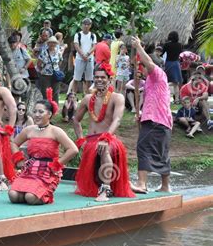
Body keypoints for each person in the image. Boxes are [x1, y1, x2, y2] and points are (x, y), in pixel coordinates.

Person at [73, 62, 135, 202]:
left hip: (109, 138)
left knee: (104, 149)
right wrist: (80, 140)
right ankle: (121, 185)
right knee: (97, 147)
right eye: (97, 77)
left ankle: (105, 189)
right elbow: (76, 120)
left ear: (109, 79)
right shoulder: (88, 99)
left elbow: (117, 120)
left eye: (103, 77)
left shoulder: (117, 97)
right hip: (90, 139)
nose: (99, 80)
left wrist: (106, 137)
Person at [9, 89, 78, 204]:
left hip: (47, 171)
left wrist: (57, 164)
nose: (36, 115)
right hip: (30, 169)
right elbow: (14, 143)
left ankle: (42, 195)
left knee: (30, 198)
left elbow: (73, 149)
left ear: (49, 114)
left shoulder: (56, 131)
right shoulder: (29, 130)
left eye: (40, 112)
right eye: (35, 111)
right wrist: (18, 159)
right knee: (13, 196)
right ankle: (26, 193)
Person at [131, 36, 173, 193]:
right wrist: (141, 114)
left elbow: (148, 63)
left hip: (156, 121)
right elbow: (152, 101)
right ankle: (165, 186)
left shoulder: (158, 74)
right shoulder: (150, 80)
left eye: (141, 65)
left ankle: (142, 184)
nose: (140, 68)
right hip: (158, 120)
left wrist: (139, 46)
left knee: (143, 147)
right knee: (162, 152)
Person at [72, 18, 97, 96]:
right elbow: (76, 45)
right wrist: (83, 55)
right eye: (84, 24)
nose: (86, 26)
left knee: (89, 79)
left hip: (89, 59)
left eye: (88, 24)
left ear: (90, 26)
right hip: (79, 58)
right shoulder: (78, 35)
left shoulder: (93, 35)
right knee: (76, 78)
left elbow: (94, 45)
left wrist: (88, 54)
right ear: (82, 25)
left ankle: (88, 96)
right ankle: (73, 96)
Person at [37, 36, 61, 103]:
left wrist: (57, 70)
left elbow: (60, 62)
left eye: (54, 43)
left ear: (56, 44)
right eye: (51, 43)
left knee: (55, 92)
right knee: (45, 92)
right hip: (45, 75)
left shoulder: (58, 52)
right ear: (48, 44)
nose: (52, 44)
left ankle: (55, 108)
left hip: (55, 75)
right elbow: (39, 64)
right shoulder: (44, 52)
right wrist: (43, 70)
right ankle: (46, 106)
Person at [162, 31, 183, 103]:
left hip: (169, 63)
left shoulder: (167, 44)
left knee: (166, 81)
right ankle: (176, 99)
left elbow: (162, 53)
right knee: (176, 83)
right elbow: (180, 53)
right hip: (176, 63)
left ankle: (165, 98)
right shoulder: (179, 45)